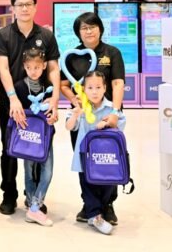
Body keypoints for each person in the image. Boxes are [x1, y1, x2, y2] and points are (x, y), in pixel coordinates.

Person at [0, 0, 60, 215]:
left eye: (28, 4)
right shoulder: (3, 35)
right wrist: (13, 98)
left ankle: (34, 198)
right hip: (11, 100)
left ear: (35, 7)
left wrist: (55, 99)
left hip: (40, 102)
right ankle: (9, 195)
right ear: (13, 8)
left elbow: (53, 68)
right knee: (9, 148)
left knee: (38, 146)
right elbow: (3, 69)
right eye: (20, 5)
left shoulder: (46, 36)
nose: (24, 8)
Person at [61, 11, 126, 225]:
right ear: (78, 33)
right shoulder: (72, 55)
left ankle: (108, 205)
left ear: (100, 28)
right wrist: (76, 101)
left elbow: (117, 83)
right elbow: (64, 84)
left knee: (108, 158)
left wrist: (115, 112)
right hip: (83, 119)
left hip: (107, 116)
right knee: (85, 160)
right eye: (84, 28)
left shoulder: (112, 53)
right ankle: (89, 205)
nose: (89, 31)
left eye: (92, 26)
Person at [66, 71, 126, 236]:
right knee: (87, 187)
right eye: (90, 88)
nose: (94, 91)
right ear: (84, 89)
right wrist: (76, 113)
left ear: (105, 88)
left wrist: (107, 123)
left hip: (107, 159)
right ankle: (94, 215)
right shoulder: (80, 107)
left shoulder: (111, 108)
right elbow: (69, 126)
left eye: (98, 87)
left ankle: (102, 209)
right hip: (85, 158)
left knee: (108, 185)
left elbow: (120, 124)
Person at [14, 49, 56, 226]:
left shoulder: (49, 87)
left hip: (45, 136)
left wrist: (52, 114)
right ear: (24, 66)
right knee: (29, 171)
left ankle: (35, 205)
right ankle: (33, 205)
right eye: (29, 67)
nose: (33, 71)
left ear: (44, 66)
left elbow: (52, 112)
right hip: (27, 136)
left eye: (37, 67)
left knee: (47, 171)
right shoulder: (19, 87)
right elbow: (15, 112)